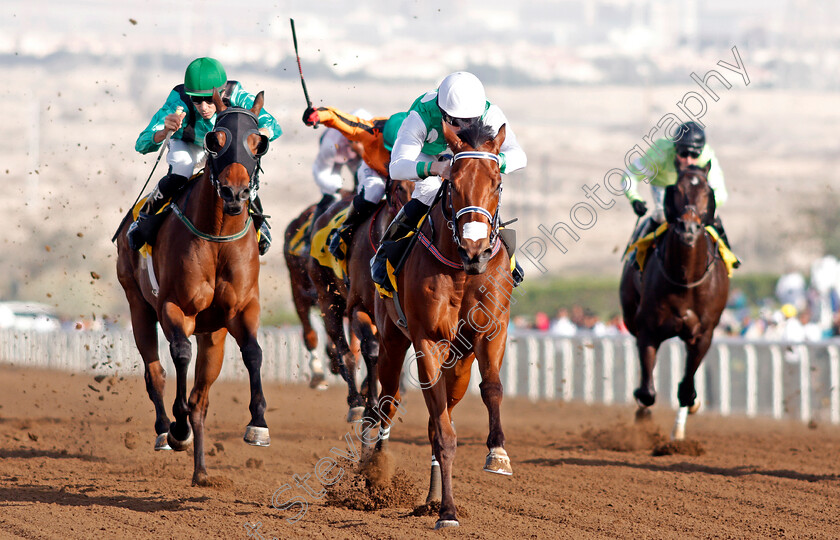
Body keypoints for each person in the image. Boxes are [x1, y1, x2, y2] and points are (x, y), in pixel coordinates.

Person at [369, 71, 527, 292]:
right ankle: (384, 253)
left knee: (479, 194)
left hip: (470, 157)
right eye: (456, 122)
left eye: (470, 121)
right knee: (428, 192)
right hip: (427, 155)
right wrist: (435, 168)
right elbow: (397, 167)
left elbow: (519, 156)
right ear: (443, 114)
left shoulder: (491, 113)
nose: (464, 128)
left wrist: (491, 162)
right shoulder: (420, 115)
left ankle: (509, 258)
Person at [127, 57, 282, 255]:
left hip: (221, 147)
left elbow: (273, 125)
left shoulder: (238, 96)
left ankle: (260, 223)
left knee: (239, 174)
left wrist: (256, 136)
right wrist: (164, 131)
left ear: (222, 92)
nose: (203, 107)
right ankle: (144, 219)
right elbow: (142, 144)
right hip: (188, 145)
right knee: (182, 170)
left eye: (209, 99)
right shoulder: (178, 101)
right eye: (196, 100)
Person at [301, 106, 409, 260]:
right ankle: (344, 231)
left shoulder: (418, 132)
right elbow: (335, 118)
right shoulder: (367, 132)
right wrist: (318, 114)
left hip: (400, 171)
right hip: (373, 168)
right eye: (391, 150)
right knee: (374, 191)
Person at [623, 121, 736, 262]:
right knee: (660, 215)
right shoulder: (660, 153)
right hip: (665, 186)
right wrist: (634, 198)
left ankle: (728, 254)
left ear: (701, 152)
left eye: (694, 155)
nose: (688, 160)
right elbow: (630, 174)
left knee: (712, 215)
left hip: (693, 192)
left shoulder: (707, 157)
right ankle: (635, 254)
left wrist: (707, 206)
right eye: (683, 153)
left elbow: (720, 193)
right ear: (675, 148)